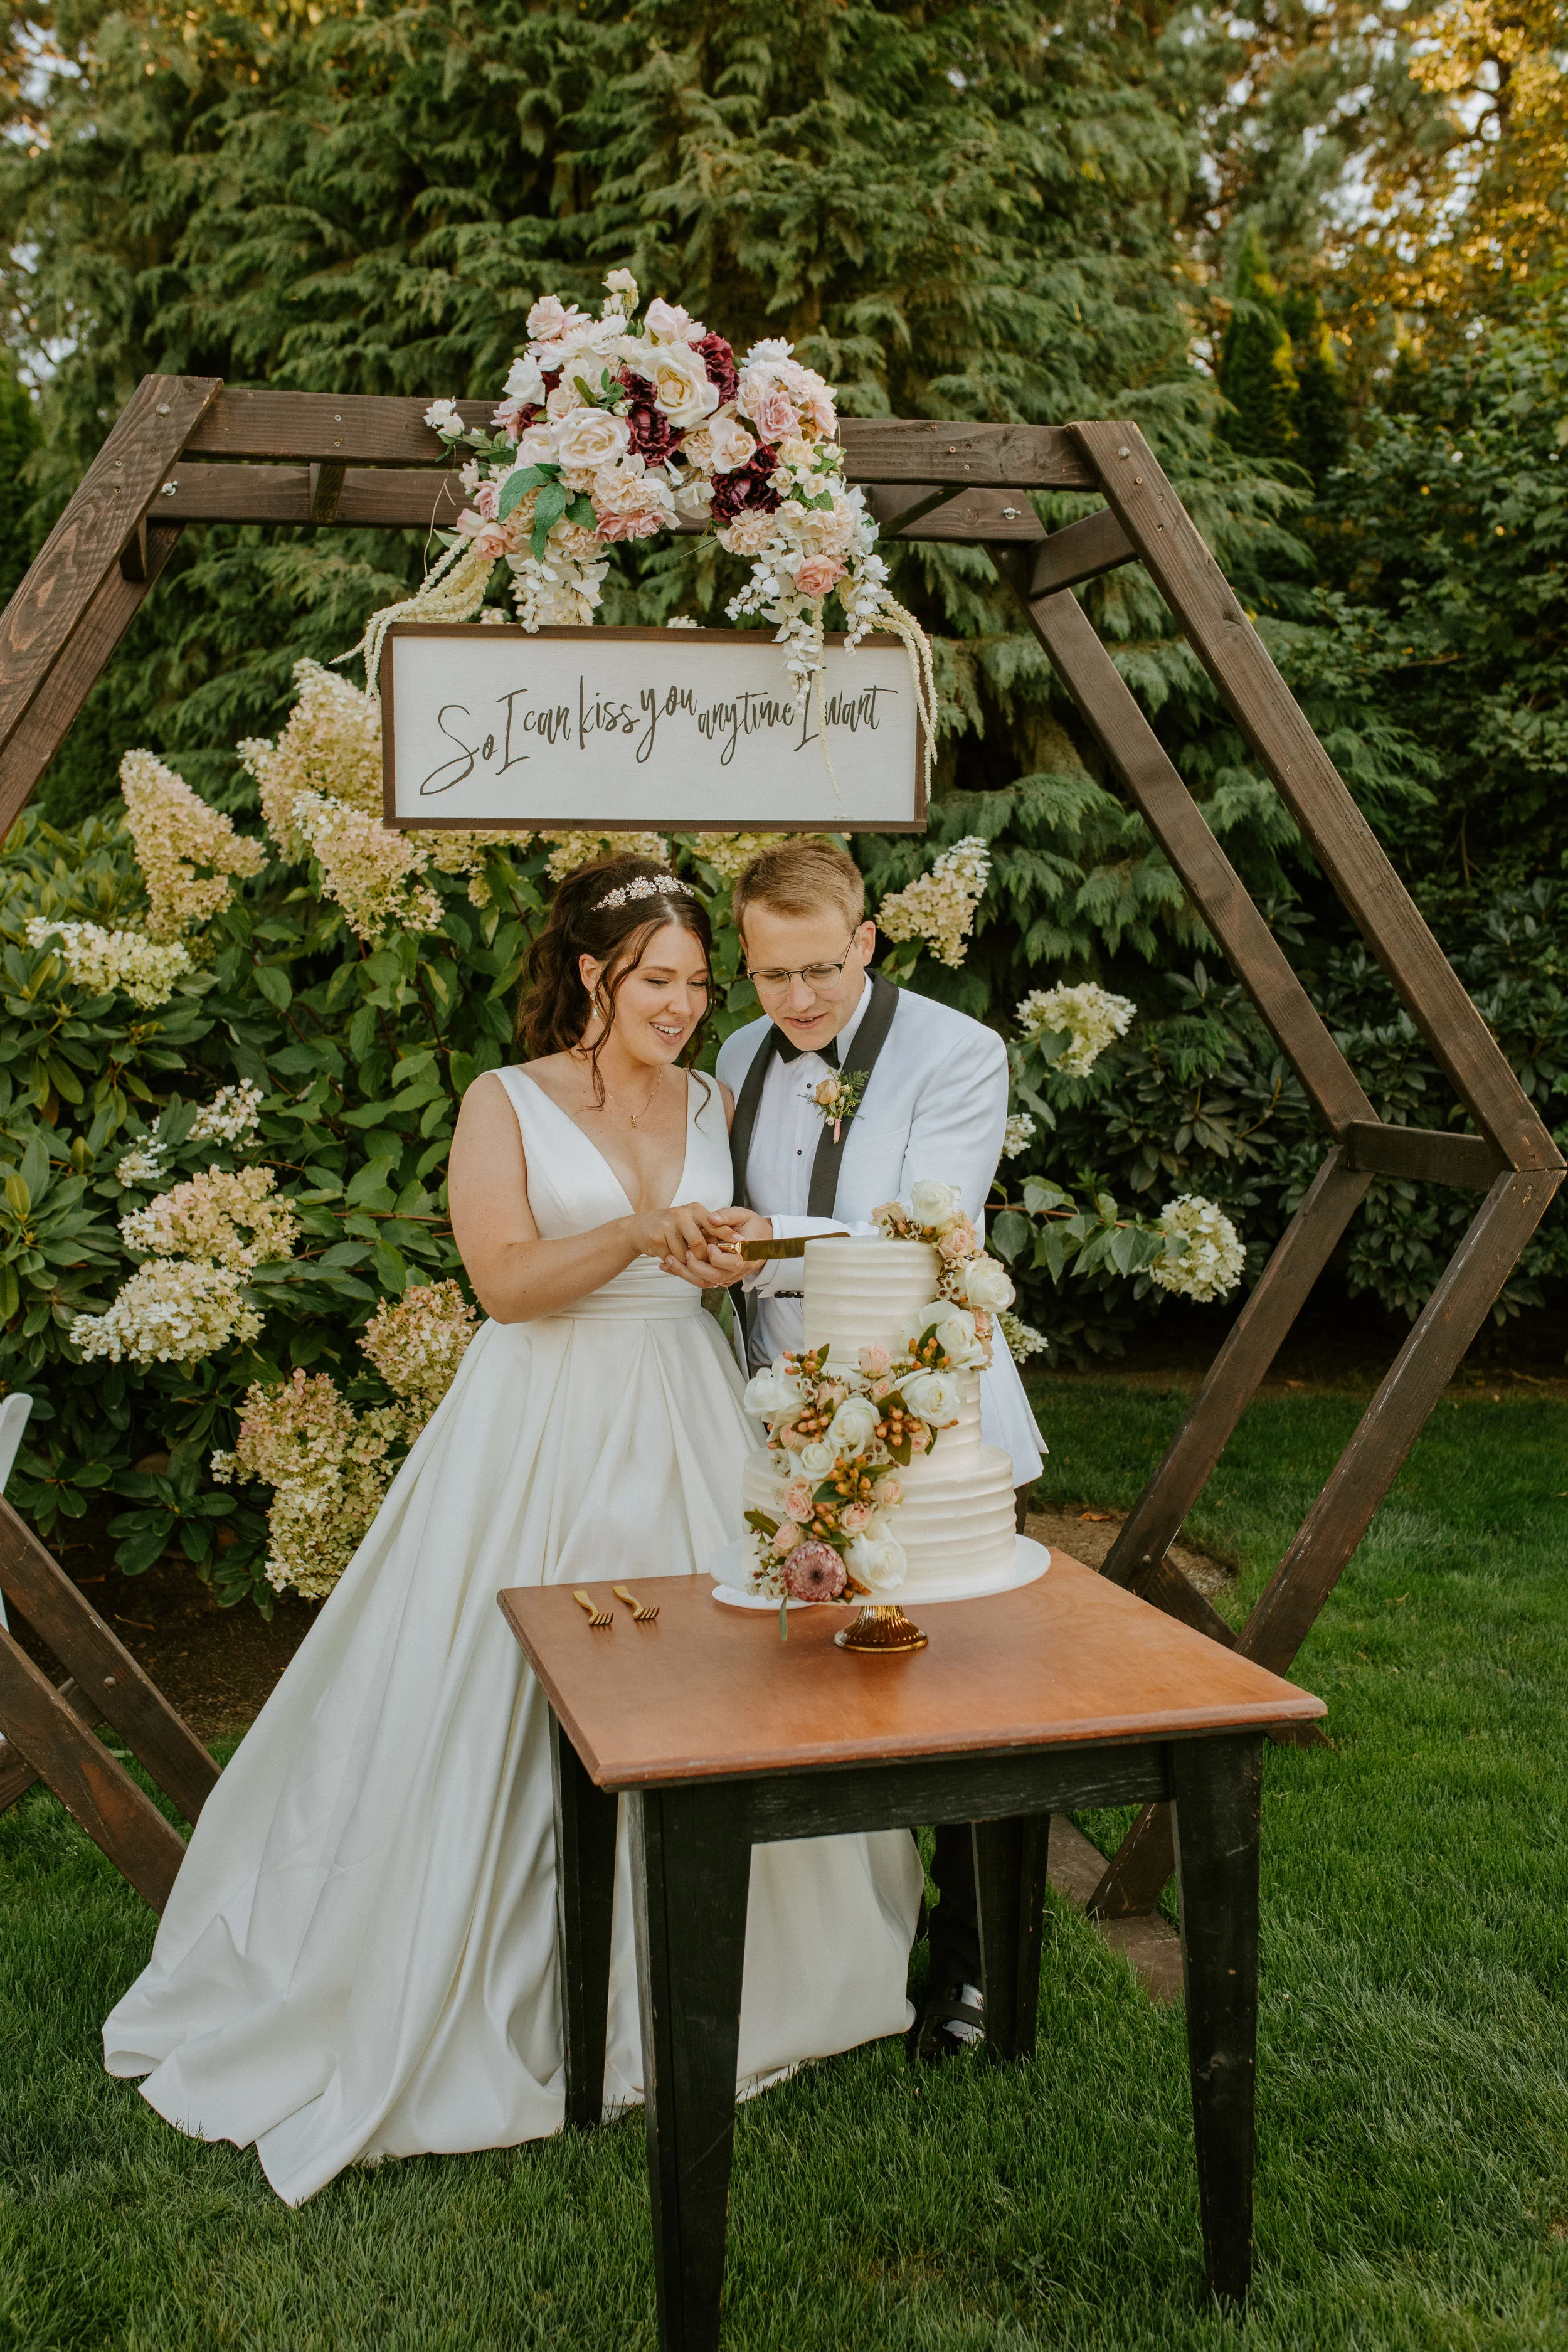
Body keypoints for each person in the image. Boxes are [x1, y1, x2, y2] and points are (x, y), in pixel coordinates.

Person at [102, 856, 922, 2205]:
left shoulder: (715, 1094)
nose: (681, 1002)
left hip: (685, 1410)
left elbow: (704, 1264)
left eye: (696, 982)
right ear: (593, 975)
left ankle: (748, 1981)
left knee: (720, 1685)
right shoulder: (506, 1102)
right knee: (499, 1696)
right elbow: (502, 1285)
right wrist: (637, 1235)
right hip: (542, 1422)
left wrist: (717, 1257)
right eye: (655, 980)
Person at [664, 837, 1044, 2065]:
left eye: (818, 969)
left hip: (923, 1422)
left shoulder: (955, 1053)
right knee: (822, 1701)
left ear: (866, 941)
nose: (796, 1002)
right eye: (769, 976)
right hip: (781, 1428)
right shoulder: (731, 1057)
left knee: (975, 1709)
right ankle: (850, 1948)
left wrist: (757, 1236)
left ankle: (979, 1966)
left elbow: (924, 1232)